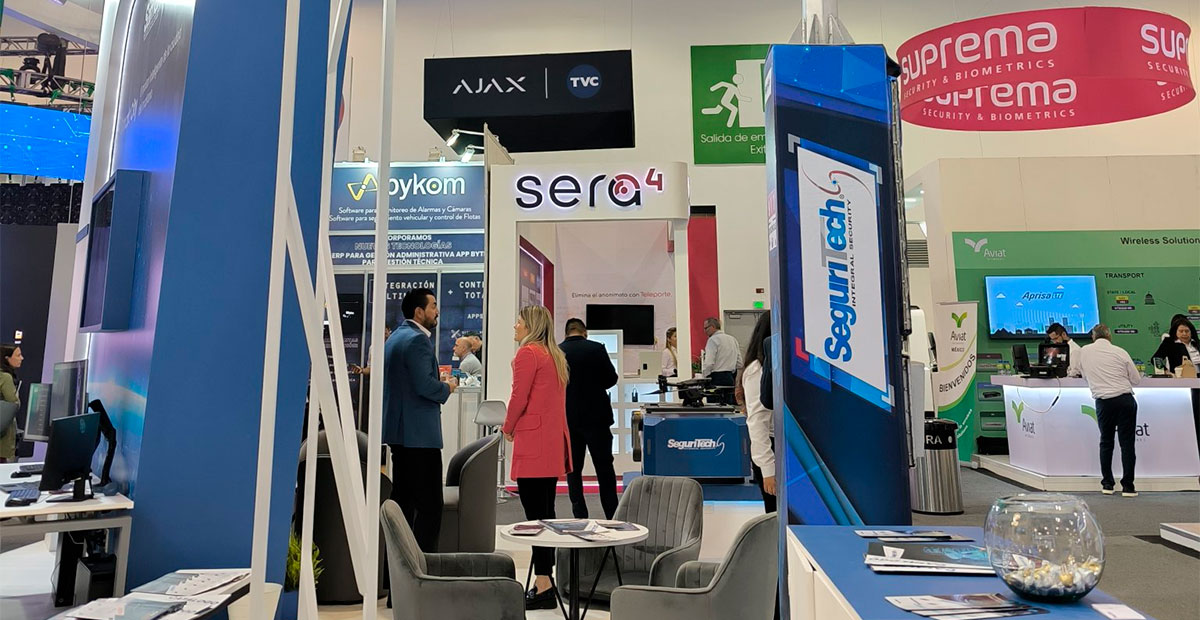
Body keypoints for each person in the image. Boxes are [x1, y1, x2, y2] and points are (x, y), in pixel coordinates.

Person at [502, 305, 571, 610]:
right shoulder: (554, 355)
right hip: (551, 443)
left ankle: (543, 584)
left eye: (518, 322)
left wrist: (508, 427)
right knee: (546, 513)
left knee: (536, 517)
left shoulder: (528, 354)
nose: (515, 326)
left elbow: (519, 397)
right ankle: (546, 580)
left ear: (530, 326)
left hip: (533, 444)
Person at [382, 288, 458, 552]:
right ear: (419, 311)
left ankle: (397, 566)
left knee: (403, 503)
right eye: (433, 306)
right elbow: (424, 385)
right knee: (429, 506)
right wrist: (447, 387)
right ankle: (424, 565)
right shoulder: (417, 341)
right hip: (419, 437)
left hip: (401, 435)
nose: (437, 311)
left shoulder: (395, 338)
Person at [559, 318, 619, 520]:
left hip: (569, 418)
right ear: (585, 332)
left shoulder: (558, 351)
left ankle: (580, 515)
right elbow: (611, 379)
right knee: (604, 468)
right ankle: (612, 514)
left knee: (573, 470)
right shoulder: (597, 348)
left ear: (566, 332)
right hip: (597, 417)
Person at [1078, 324, 1142, 497]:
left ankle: (1107, 484)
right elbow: (1136, 379)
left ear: (1093, 337)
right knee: (1127, 444)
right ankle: (1128, 486)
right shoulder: (1120, 351)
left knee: (1106, 442)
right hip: (1124, 399)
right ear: (1109, 336)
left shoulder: (1083, 352)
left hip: (1103, 402)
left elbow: (1083, 375)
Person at [740, 313, 776, 513]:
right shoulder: (757, 369)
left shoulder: (777, 365)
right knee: (775, 514)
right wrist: (768, 469)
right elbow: (757, 421)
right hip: (770, 450)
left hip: (782, 448)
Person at [701, 317, 742, 403]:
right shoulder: (732, 339)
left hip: (716, 378)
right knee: (728, 405)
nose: (704, 331)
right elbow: (739, 363)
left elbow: (709, 363)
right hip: (730, 378)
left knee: (714, 407)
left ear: (712, 327)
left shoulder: (712, 340)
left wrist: (704, 377)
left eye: (706, 328)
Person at [0, 344, 22, 463]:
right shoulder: (5, 377)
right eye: (18, 355)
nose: (21, 358)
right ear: (7, 358)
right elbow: (14, 404)